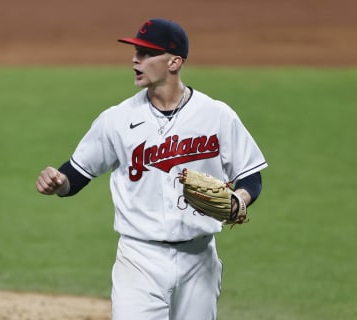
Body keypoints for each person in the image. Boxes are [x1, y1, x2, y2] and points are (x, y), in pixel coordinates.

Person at [36, 18, 267, 320]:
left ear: (174, 62)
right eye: (136, 51)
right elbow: (76, 175)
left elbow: (251, 176)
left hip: (199, 258)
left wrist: (239, 200)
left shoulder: (217, 115)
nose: (135, 58)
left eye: (146, 53)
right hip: (139, 259)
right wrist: (59, 181)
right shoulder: (116, 119)